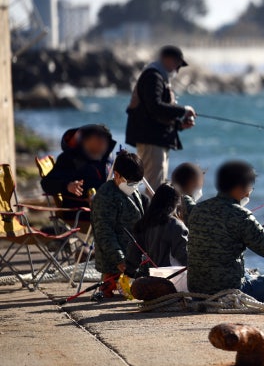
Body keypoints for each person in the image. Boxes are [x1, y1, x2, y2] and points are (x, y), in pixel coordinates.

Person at [187, 160, 264, 304]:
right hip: (229, 291)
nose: (250, 191)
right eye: (250, 186)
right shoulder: (241, 215)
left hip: (196, 290)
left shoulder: (198, 209)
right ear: (239, 187)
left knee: (249, 272)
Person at [125, 45, 196, 188]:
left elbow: (155, 114)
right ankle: (151, 211)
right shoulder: (153, 76)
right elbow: (155, 106)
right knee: (154, 187)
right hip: (151, 140)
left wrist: (179, 126)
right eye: (178, 64)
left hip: (154, 140)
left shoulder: (158, 77)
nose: (177, 69)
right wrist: (183, 111)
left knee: (154, 185)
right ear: (168, 60)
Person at [90, 151, 147, 298]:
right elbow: (104, 233)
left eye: (138, 183)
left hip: (134, 257)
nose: (135, 187)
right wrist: (120, 260)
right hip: (115, 262)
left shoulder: (131, 190)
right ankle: (110, 284)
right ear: (116, 175)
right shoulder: (105, 196)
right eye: (132, 183)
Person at [40, 124, 116, 222]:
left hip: (108, 208)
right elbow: (46, 183)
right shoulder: (70, 159)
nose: (104, 142)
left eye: (106, 139)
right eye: (99, 139)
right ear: (86, 140)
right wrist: (67, 186)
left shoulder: (108, 160)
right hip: (82, 213)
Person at [125, 183, 188, 277]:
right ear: (175, 203)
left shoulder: (143, 223)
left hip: (147, 279)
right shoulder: (176, 226)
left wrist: (129, 272)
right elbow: (184, 257)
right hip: (172, 279)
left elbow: (132, 256)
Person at [171, 162, 204, 226]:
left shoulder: (172, 199)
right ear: (192, 183)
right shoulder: (186, 202)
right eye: (201, 182)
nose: (201, 187)